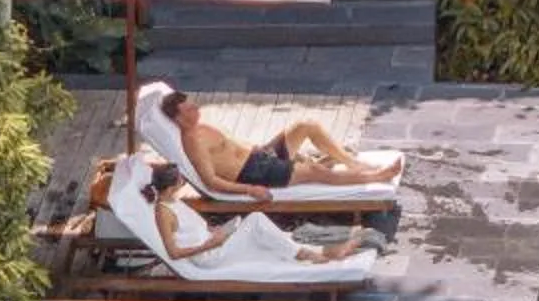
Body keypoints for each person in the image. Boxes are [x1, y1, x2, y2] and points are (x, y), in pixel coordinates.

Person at [133, 160, 375, 277]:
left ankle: (319, 252)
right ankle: (311, 255)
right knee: (257, 221)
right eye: (181, 181)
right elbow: (173, 253)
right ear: (171, 186)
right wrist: (210, 243)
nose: (184, 183)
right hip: (208, 256)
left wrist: (215, 230)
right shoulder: (163, 213)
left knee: (260, 234)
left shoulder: (172, 201)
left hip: (214, 241)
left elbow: (190, 230)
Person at [160, 86, 403, 195]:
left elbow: (234, 145)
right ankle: (377, 177)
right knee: (315, 170)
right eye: (189, 109)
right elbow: (211, 181)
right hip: (254, 174)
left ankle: (352, 164)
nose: (195, 109)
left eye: (193, 105)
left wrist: (262, 148)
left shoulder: (201, 126)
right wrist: (251, 189)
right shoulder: (191, 141)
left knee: (307, 125)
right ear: (178, 118)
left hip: (259, 157)